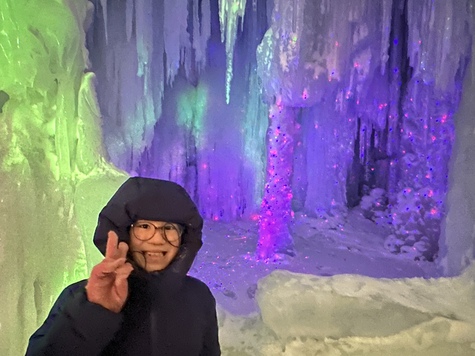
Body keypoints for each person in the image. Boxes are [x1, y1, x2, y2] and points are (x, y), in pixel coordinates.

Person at [26, 177, 221, 355]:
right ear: (125, 234)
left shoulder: (199, 297)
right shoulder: (80, 297)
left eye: (169, 228)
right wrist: (94, 310)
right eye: (144, 227)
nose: (157, 240)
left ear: (184, 238)